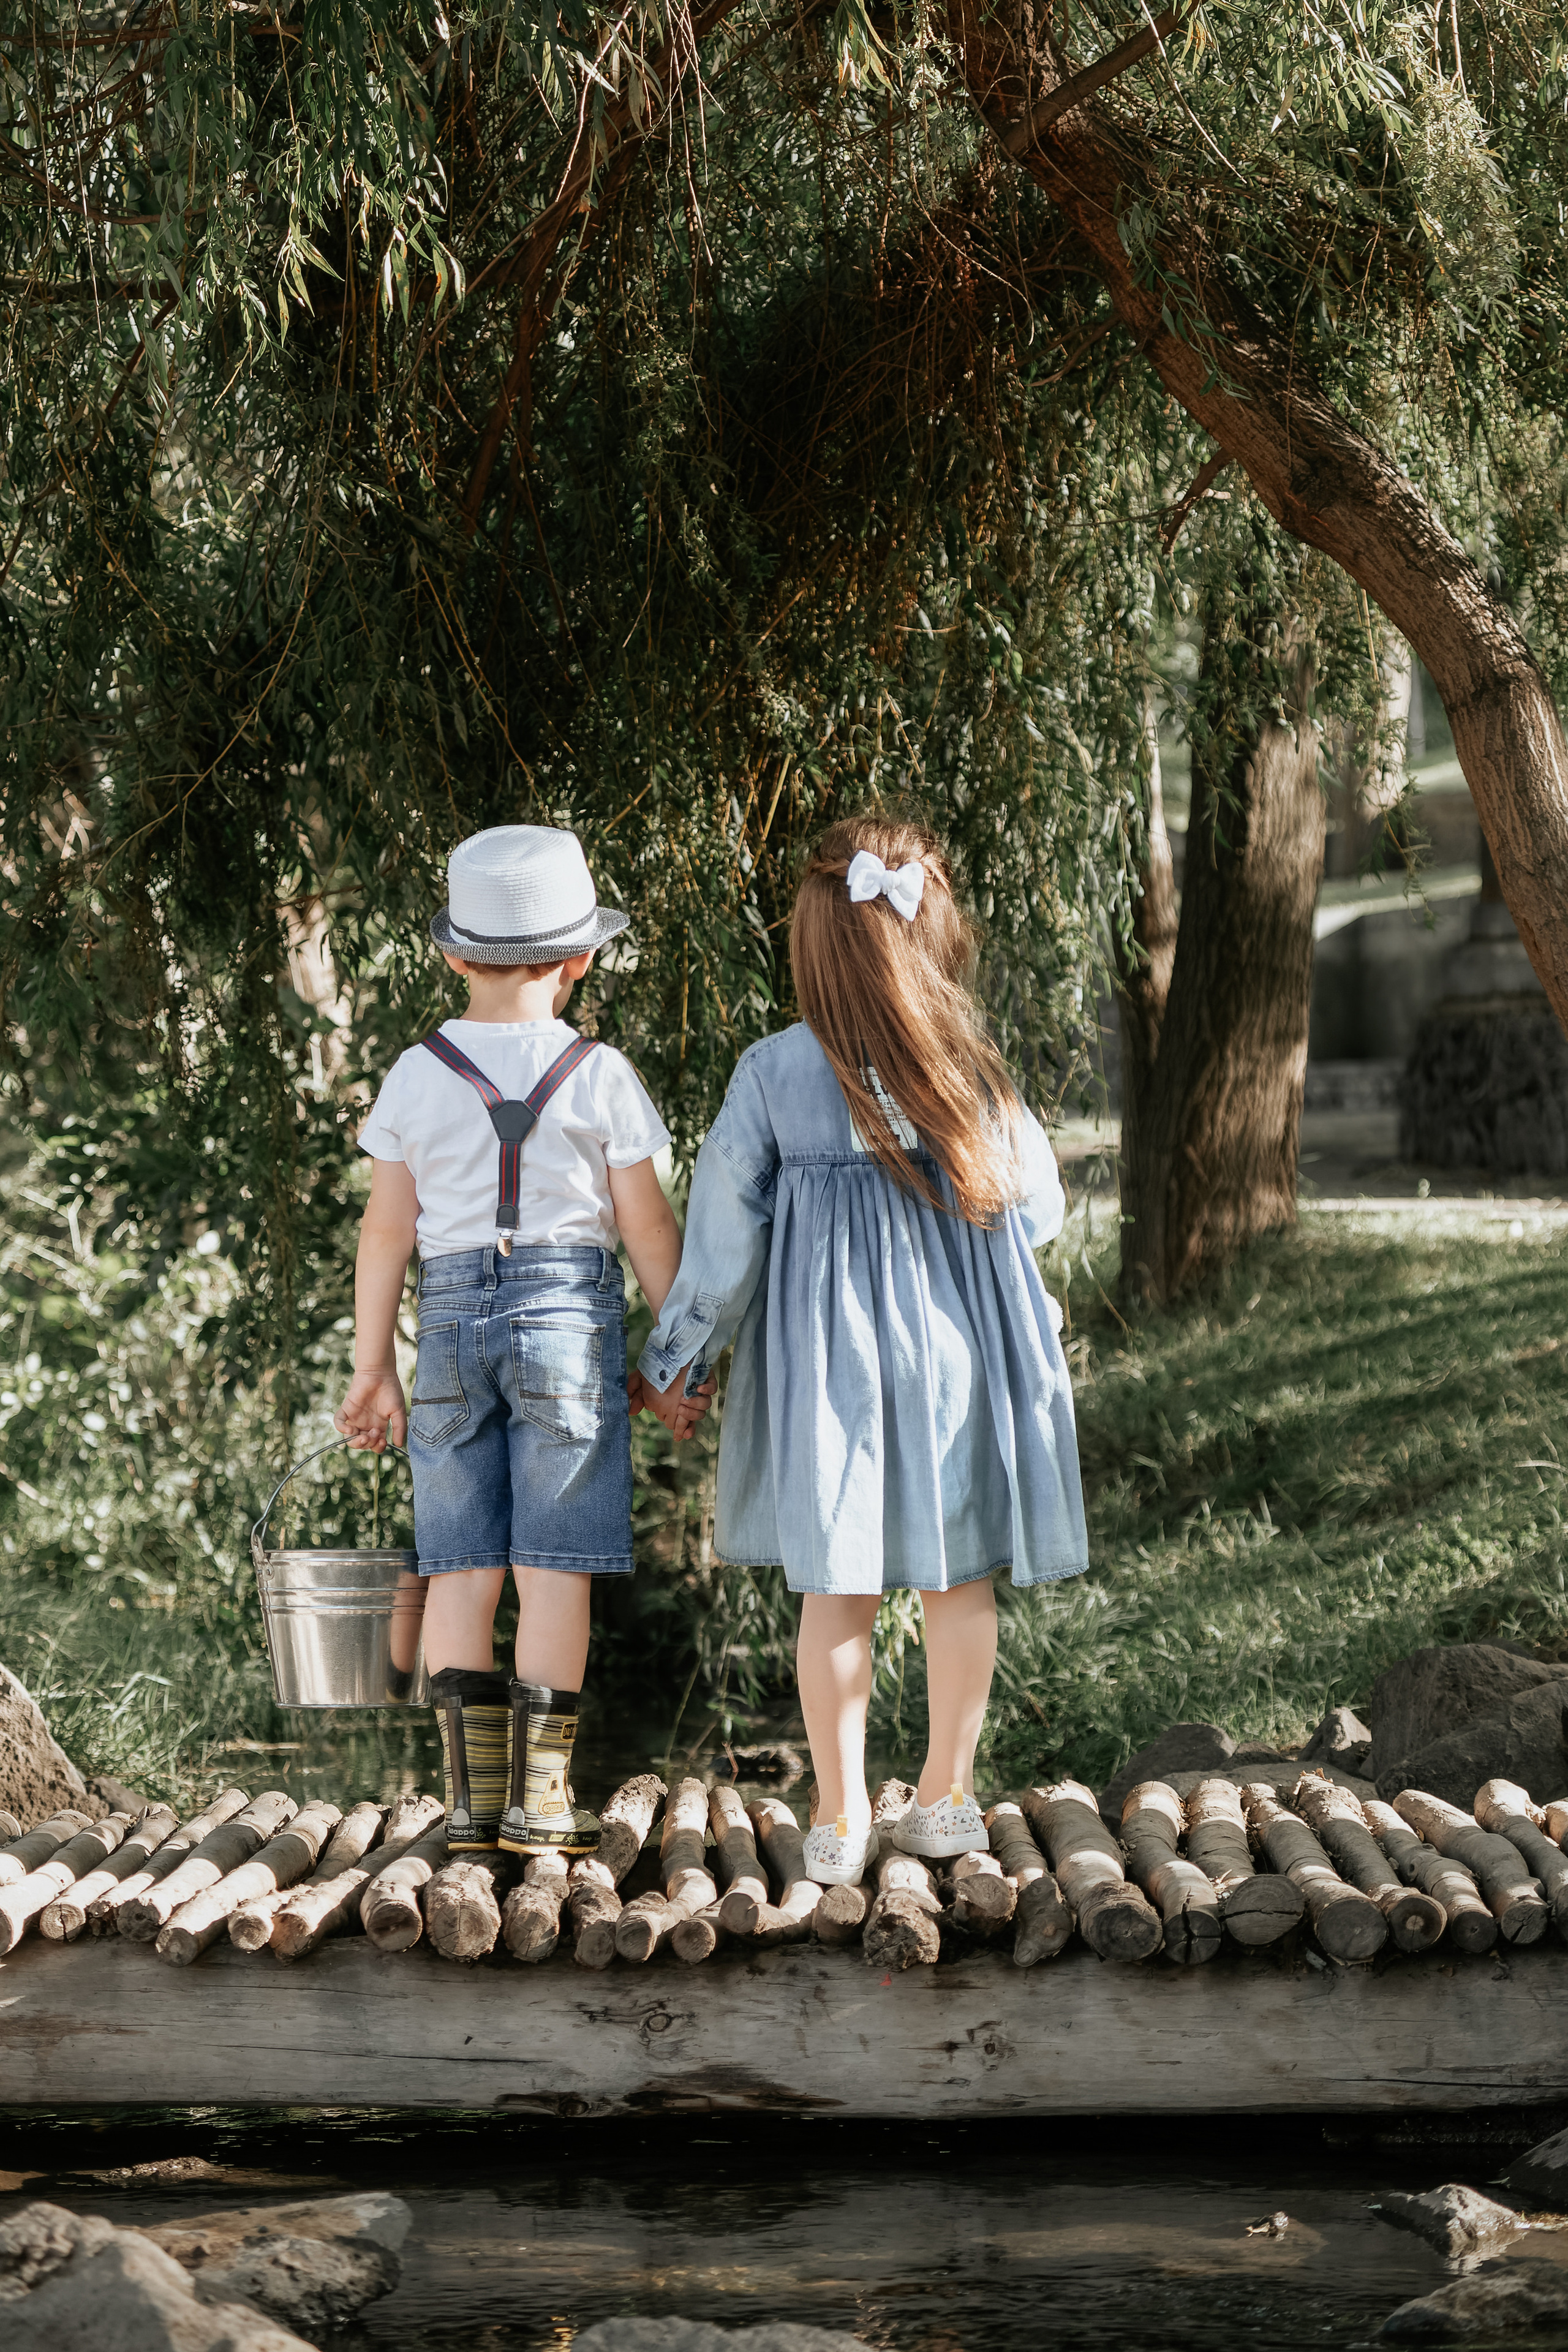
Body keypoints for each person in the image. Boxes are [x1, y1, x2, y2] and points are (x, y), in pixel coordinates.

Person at [638, 813, 1088, 1882]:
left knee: (835, 1591)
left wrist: (677, 1367)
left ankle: (838, 1816)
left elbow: (723, 1249)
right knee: (959, 1580)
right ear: (932, 930)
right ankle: (947, 1798)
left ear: (811, 943)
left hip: (826, 1374)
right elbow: (1038, 1212)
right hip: (954, 1362)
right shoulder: (970, 1067)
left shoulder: (771, 1073)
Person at [335, 825, 708, 1858]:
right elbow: (649, 1228)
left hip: (448, 1323)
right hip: (567, 1326)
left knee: (462, 1568)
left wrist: (375, 1370)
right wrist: (675, 1360)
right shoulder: (600, 1074)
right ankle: (541, 1804)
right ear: (580, 959)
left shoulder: (415, 1074)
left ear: (453, 955)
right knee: (555, 1567)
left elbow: (386, 1234)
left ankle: (469, 1804)